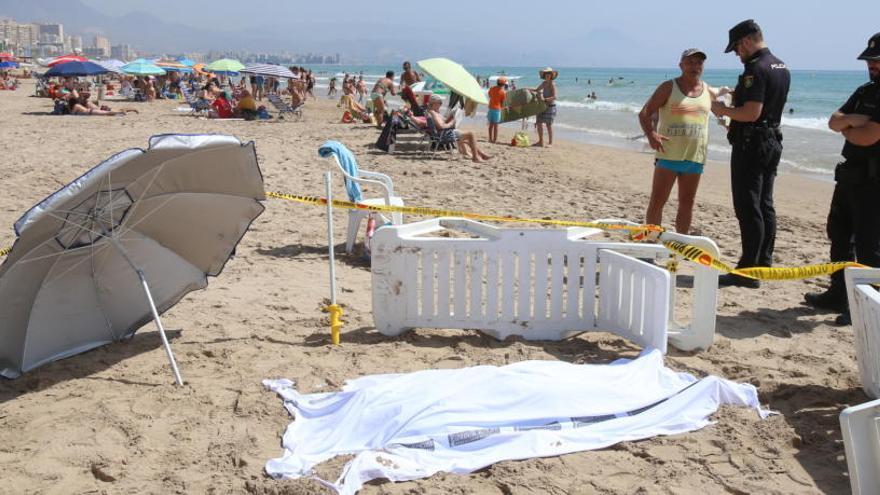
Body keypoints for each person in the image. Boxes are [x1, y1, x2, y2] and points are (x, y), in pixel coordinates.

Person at [804, 33, 880, 325]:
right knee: (838, 234)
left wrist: (852, 125)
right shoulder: (865, 91)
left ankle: (864, 302)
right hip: (849, 177)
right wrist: (853, 123)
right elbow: (834, 121)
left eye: (876, 60)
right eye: (869, 60)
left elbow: (869, 136)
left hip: (874, 183)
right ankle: (838, 292)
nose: (871, 65)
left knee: (869, 245)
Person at [711, 19, 790, 288]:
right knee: (765, 203)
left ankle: (748, 269)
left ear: (746, 41)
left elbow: (751, 113)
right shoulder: (780, 65)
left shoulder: (755, 69)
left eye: (736, 48)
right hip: (771, 140)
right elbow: (764, 105)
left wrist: (722, 110)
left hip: (752, 143)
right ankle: (764, 262)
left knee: (748, 205)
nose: (736, 54)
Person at [639, 49, 718, 235]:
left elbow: (724, 114)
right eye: (690, 62)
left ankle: (680, 245)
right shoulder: (668, 87)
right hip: (668, 155)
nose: (695, 67)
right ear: (681, 65)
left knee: (687, 203)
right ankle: (650, 241)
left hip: (695, 157)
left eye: (699, 63)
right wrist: (651, 134)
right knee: (658, 201)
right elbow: (645, 113)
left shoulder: (708, 90)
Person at [427, 94, 491, 163]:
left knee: (467, 136)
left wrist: (451, 117)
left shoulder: (433, 112)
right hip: (445, 135)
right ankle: (475, 157)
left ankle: (480, 154)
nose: (441, 104)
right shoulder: (433, 113)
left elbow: (442, 123)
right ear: (434, 103)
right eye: (440, 102)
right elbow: (441, 126)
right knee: (471, 134)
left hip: (444, 133)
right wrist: (451, 123)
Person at [532, 68, 558, 147]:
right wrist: (527, 89)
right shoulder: (543, 83)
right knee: (539, 122)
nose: (547, 75)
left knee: (548, 125)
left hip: (550, 107)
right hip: (542, 106)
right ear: (544, 75)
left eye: (549, 74)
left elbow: (555, 97)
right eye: (546, 74)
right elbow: (537, 90)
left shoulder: (552, 84)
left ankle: (550, 143)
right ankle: (541, 142)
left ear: (551, 75)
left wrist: (545, 99)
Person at [487, 76, 507, 143]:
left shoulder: (492, 88)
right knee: (496, 126)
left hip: (490, 108)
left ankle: (490, 138)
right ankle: (495, 140)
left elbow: (489, 95)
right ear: (503, 84)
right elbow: (502, 102)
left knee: (491, 125)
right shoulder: (503, 92)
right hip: (497, 109)